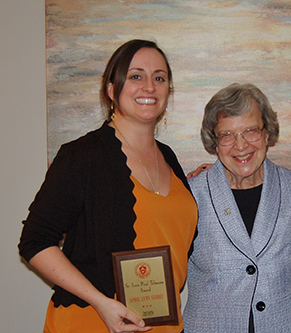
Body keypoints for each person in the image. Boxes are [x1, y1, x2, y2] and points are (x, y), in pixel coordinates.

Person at [18, 39, 197, 333]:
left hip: (161, 326)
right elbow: (35, 241)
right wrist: (101, 302)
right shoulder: (82, 156)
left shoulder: (168, 157)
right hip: (92, 323)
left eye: (159, 78)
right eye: (136, 76)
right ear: (112, 89)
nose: (149, 87)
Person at [183, 83, 291, 333]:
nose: (240, 145)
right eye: (227, 135)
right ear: (214, 142)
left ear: (267, 134)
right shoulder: (190, 196)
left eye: (250, 131)